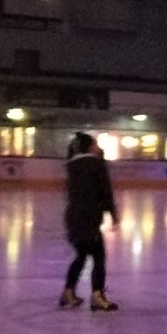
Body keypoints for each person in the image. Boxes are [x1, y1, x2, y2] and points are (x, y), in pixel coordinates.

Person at [60, 132, 120, 311]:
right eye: (95, 144)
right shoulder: (96, 164)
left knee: (82, 254)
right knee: (99, 257)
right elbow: (105, 191)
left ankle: (68, 291)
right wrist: (113, 214)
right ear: (90, 147)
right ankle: (97, 295)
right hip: (89, 218)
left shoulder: (72, 165)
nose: (98, 147)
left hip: (74, 218)